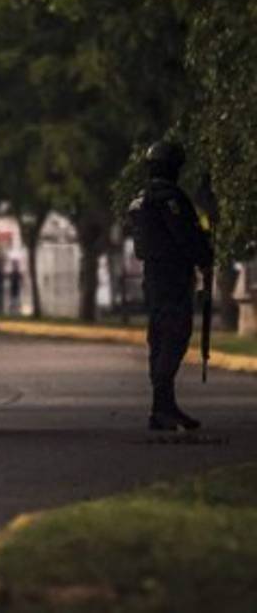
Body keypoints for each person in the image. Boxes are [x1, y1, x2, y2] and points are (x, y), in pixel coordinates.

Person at [126, 140, 213, 432]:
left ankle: (163, 406)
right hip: (171, 276)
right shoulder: (168, 198)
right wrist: (204, 258)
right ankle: (162, 405)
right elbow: (185, 234)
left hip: (153, 275)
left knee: (160, 337)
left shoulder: (141, 198)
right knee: (174, 334)